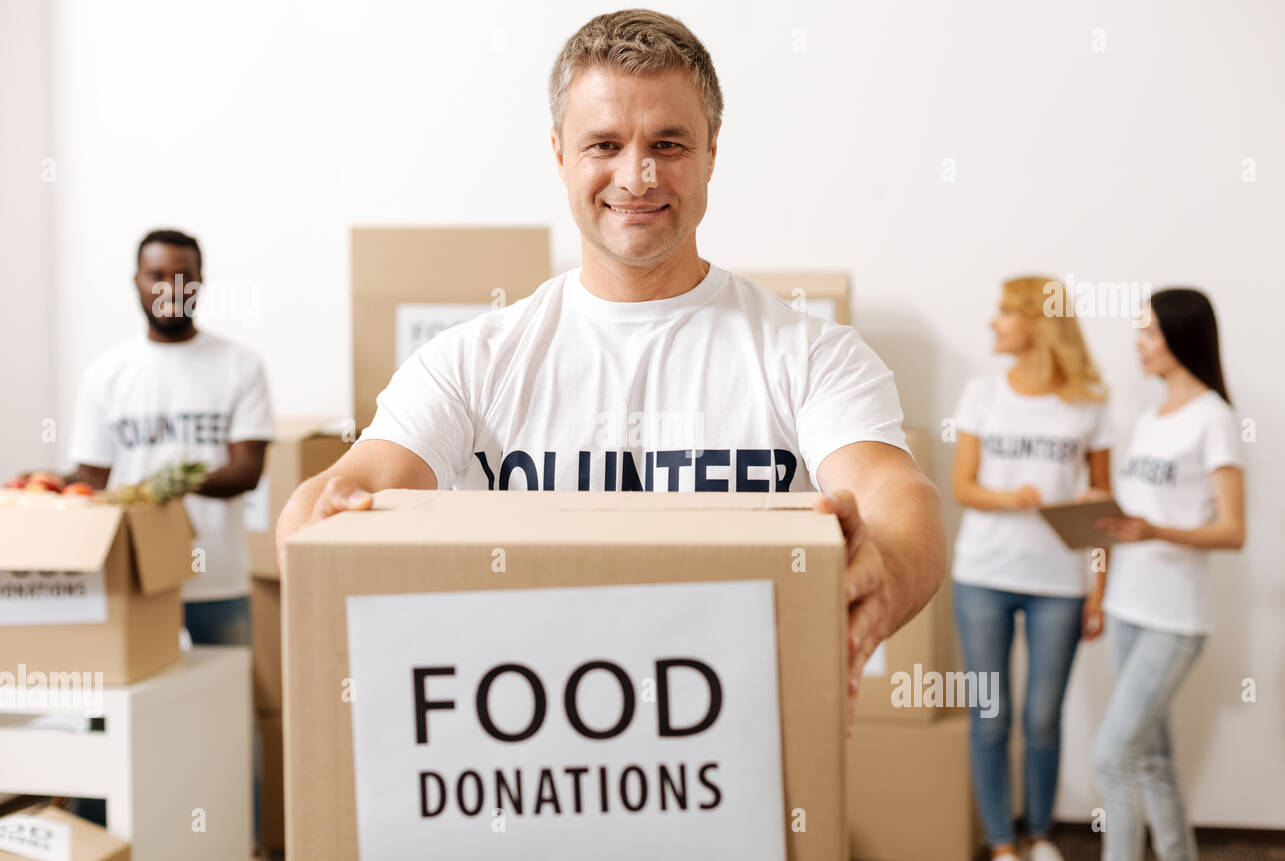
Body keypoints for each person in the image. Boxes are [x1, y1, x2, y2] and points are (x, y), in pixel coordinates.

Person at [276, 10, 946, 717]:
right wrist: (314, 519)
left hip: (734, 746)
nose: (638, 174)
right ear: (560, 153)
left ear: (712, 152)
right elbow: (346, 491)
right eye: (605, 143)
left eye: (669, 142)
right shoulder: (470, 362)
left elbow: (899, 500)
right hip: (524, 749)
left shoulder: (810, 354)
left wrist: (885, 575)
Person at [950, 276, 1112, 861]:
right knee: (990, 717)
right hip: (983, 576)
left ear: (1037, 323)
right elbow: (961, 485)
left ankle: (1041, 837)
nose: (994, 323)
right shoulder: (981, 392)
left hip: (1060, 585)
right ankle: (1001, 845)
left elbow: (1102, 508)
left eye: (1005, 312)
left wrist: (1099, 592)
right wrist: (1009, 497)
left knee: (1043, 717)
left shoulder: (1089, 403)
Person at [1093, 289, 1245, 861]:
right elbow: (1133, 518)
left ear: (1183, 338)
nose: (1140, 342)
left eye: (1151, 332)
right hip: (1129, 606)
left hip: (1175, 617)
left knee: (1112, 755)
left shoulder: (1215, 419)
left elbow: (1233, 530)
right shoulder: (1150, 419)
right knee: (1152, 760)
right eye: (1140, 330)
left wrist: (1157, 532)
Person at [66, 228, 273, 647]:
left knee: (224, 703)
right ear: (136, 281)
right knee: (128, 705)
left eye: (182, 276)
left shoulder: (240, 366)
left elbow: (247, 471)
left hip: (217, 578)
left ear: (200, 281)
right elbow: (91, 478)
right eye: (156, 274)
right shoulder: (106, 374)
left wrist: (156, 488)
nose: (169, 288)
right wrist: (41, 488)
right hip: (134, 576)